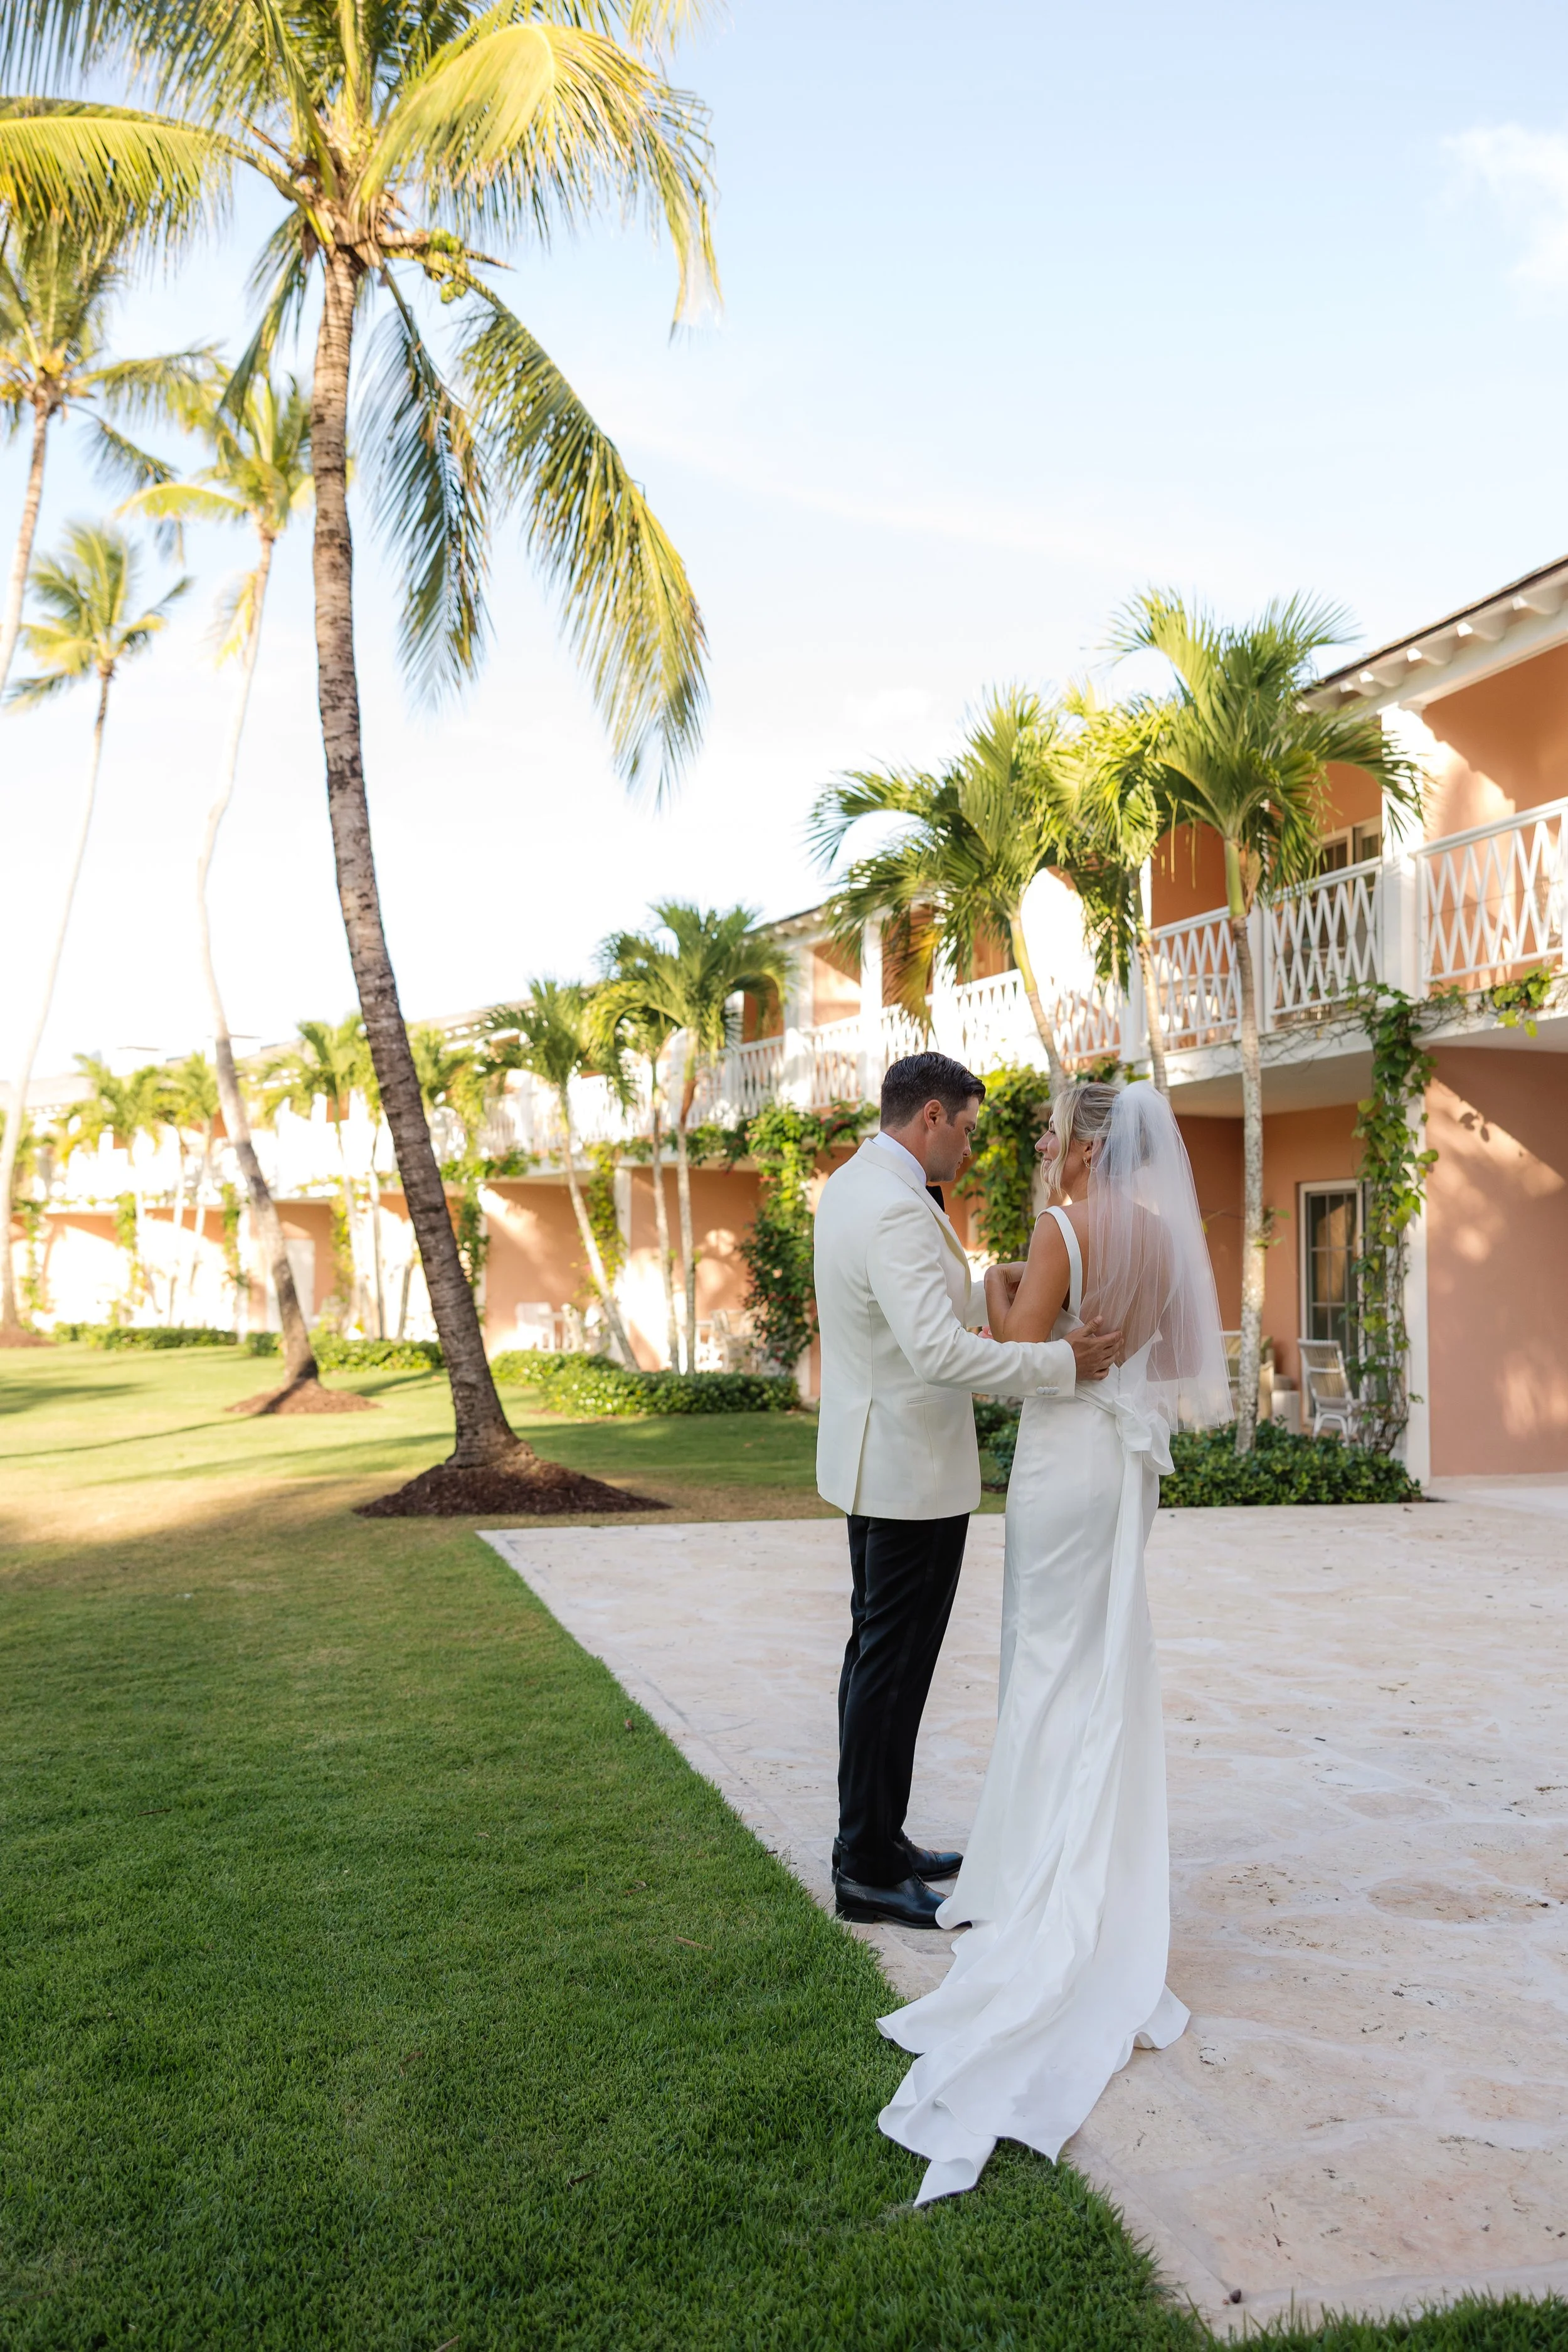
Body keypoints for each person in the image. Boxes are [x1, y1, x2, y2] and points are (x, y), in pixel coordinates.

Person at [876, 1079, 1231, 2203]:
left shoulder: (1063, 1227)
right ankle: (1086, 1868)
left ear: (1083, 1147)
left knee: (1040, 1666)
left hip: (1063, 1463)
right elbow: (1169, 1359)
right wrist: (1076, 1330)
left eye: (1046, 1135)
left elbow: (1017, 1350)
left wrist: (998, 1283)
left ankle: (1037, 1882)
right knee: (1102, 1667)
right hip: (1126, 1469)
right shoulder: (1165, 1236)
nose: (1038, 1148)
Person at [813, 1052, 1123, 1933]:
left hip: (882, 1459)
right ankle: (866, 1867)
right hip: (908, 1472)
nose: (974, 1145)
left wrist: (984, 1301)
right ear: (934, 1117)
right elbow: (939, 1354)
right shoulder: (894, 1209)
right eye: (970, 1128)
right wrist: (1061, 1362)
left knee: (877, 1662)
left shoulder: (857, 1185)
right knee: (891, 1668)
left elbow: (913, 1324)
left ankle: (875, 1836)